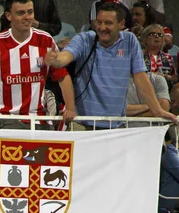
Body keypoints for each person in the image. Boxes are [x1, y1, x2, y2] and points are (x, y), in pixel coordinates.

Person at [45, 2, 176, 129]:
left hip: (116, 126)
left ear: (121, 24)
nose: (102, 28)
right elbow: (65, 57)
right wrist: (56, 59)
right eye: (99, 22)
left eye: (108, 23)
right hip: (82, 125)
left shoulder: (130, 41)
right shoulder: (85, 39)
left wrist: (157, 111)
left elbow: (141, 79)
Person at [0, 0, 76, 130]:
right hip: (7, 119)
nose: (27, 17)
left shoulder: (45, 40)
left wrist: (70, 108)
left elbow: (63, 77)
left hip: (39, 120)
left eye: (30, 12)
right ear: (8, 16)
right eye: (21, 13)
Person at [142, 24, 177, 89]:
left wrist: (165, 76)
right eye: (152, 34)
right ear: (145, 39)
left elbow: (175, 79)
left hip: (165, 91)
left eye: (160, 35)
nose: (156, 37)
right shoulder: (140, 55)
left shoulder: (168, 57)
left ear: (162, 41)